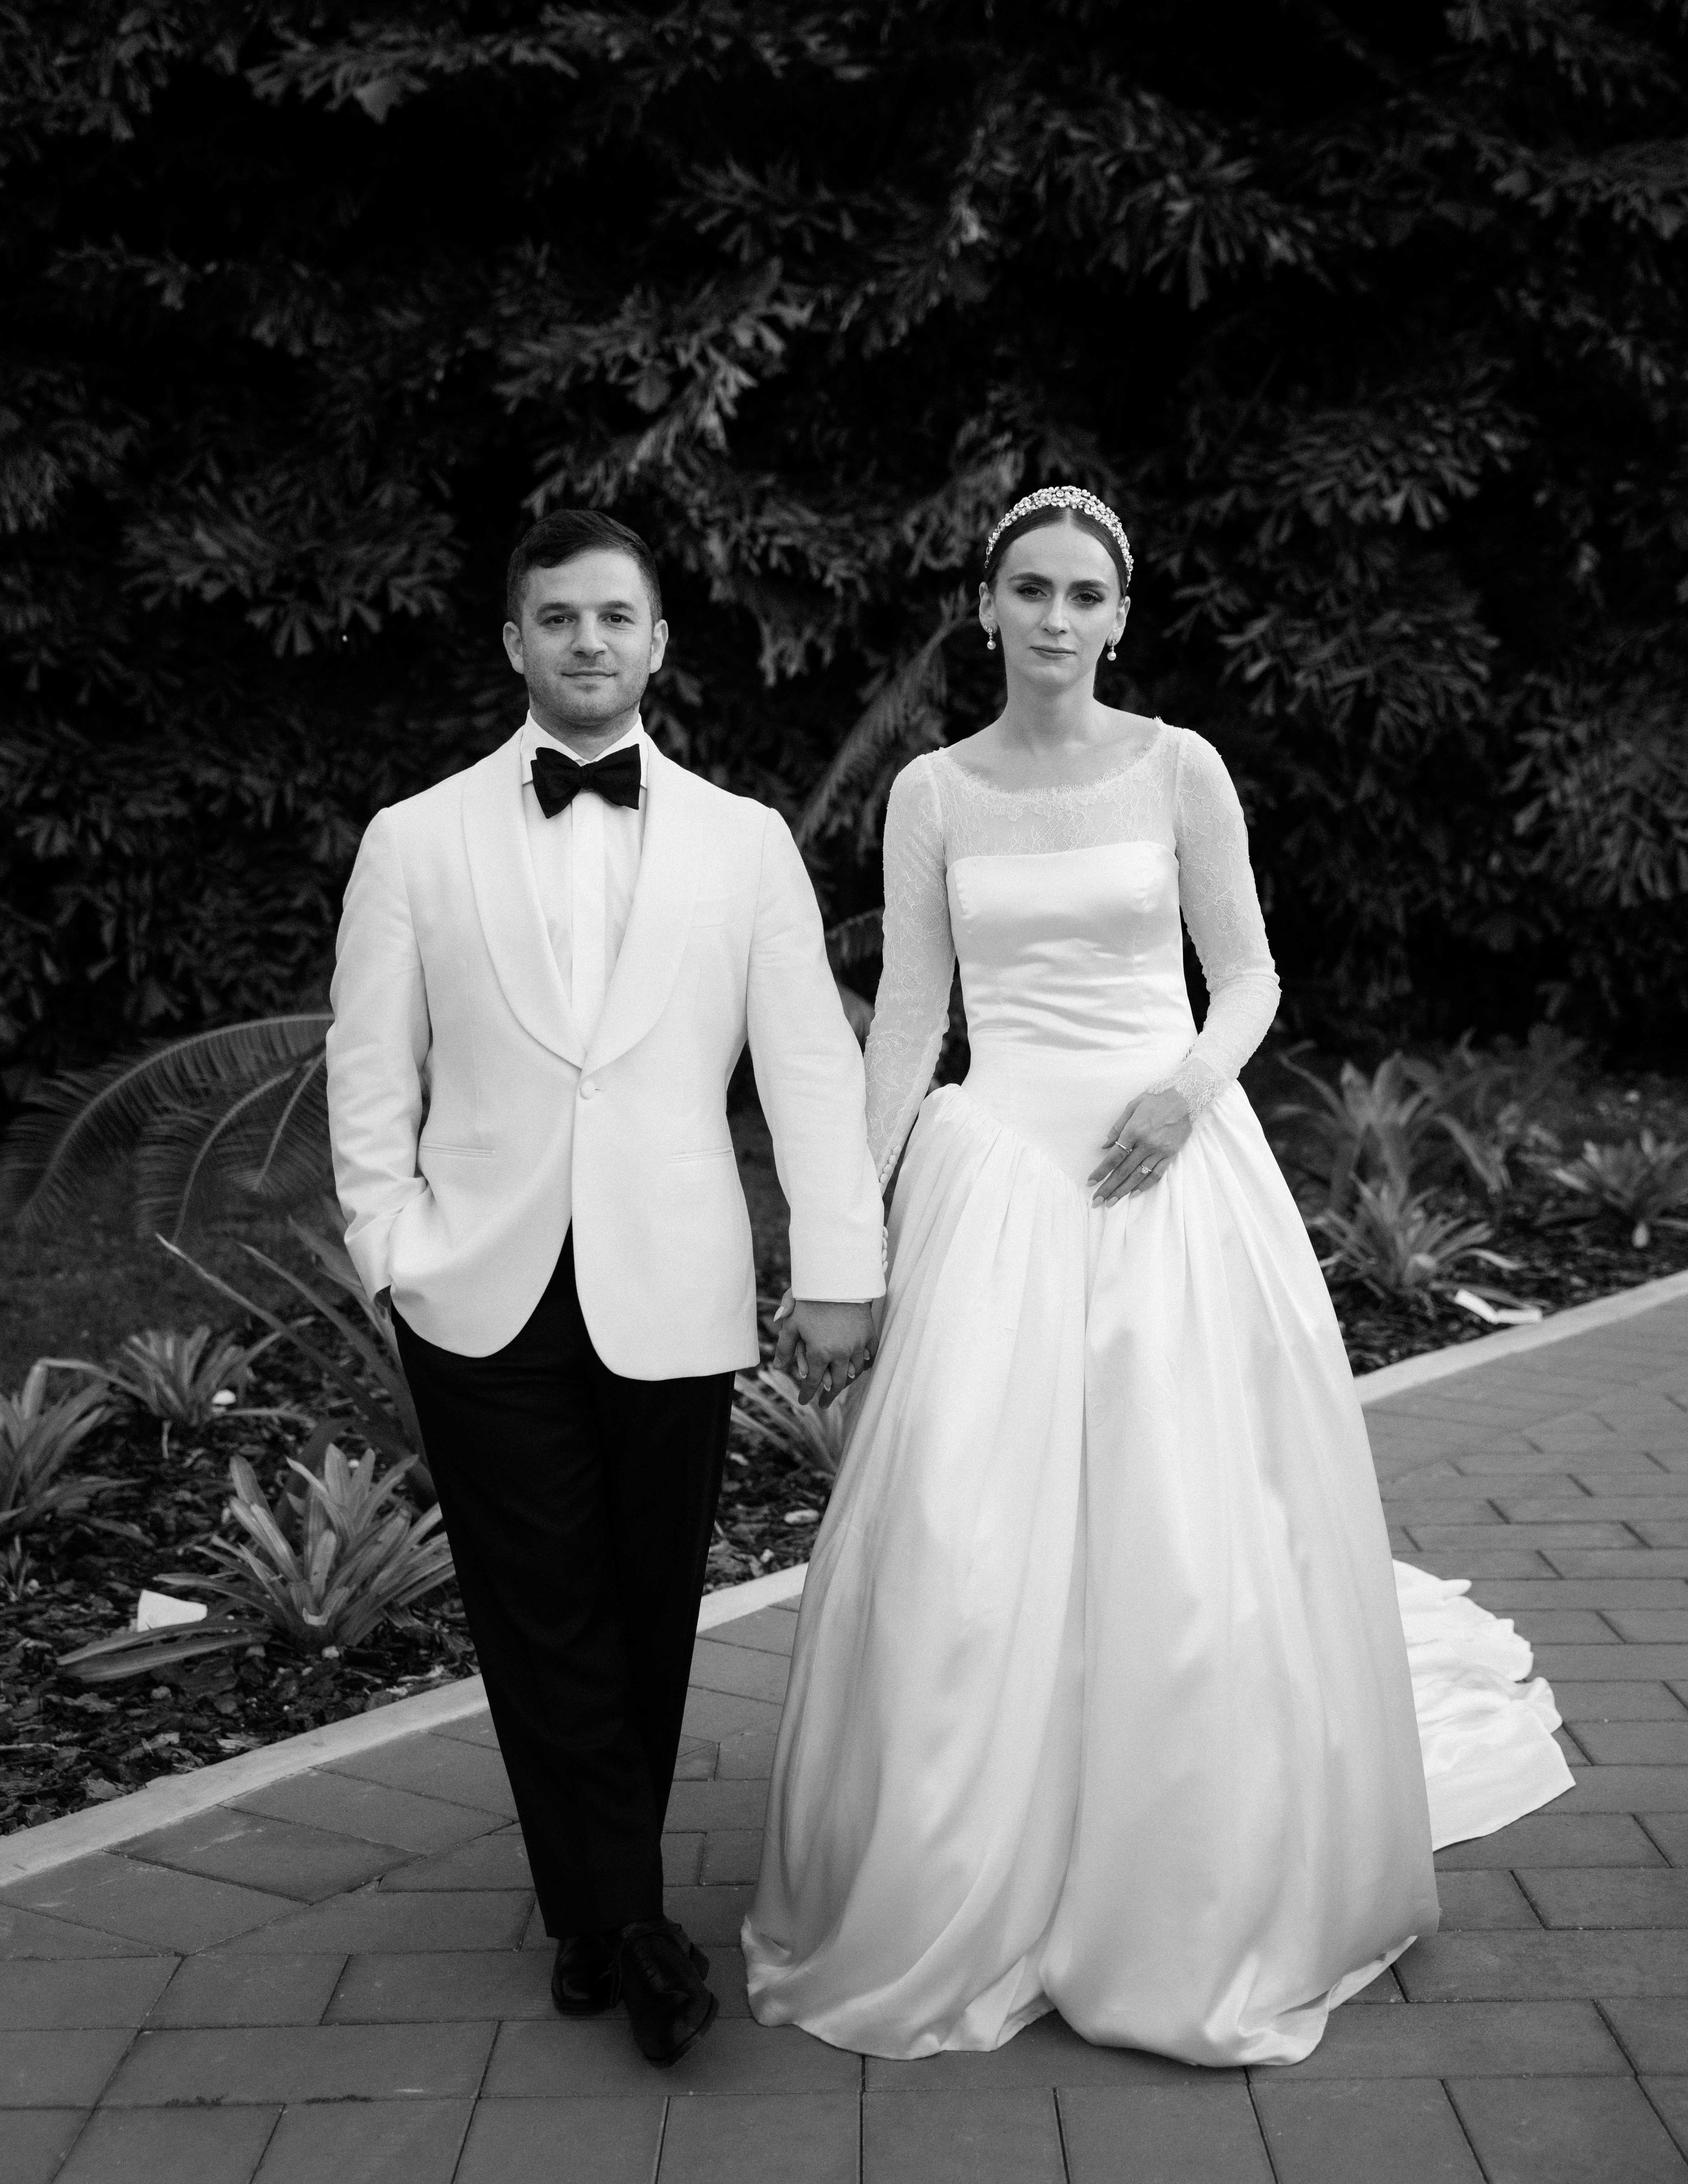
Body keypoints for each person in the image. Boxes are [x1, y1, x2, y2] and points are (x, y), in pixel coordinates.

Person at [742, 485, 1572, 2067]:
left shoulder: (1179, 766)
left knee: (1180, 1515)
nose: (1054, 618)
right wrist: (848, 1225)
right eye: (1029, 589)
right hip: (998, 1170)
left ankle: (1181, 1873)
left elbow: (1247, 971)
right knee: (967, 1522)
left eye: (1084, 595)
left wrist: (1187, 1091)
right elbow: (911, 1016)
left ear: (1120, 620)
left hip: (1163, 1163)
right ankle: (967, 1866)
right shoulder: (932, 791)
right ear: (985, 608)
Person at [325, 508, 883, 2069]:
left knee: (644, 1604)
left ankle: (587, 1907)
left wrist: (839, 1266)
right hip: (477, 1287)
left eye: (614, 618)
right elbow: (368, 1069)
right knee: (541, 1609)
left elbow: (810, 1071)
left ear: (657, 644)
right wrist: (388, 1249)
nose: (588, 642)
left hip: (672, 1280)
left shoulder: (743, 843)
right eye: (559, 617)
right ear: (516, 640)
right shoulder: (414, 840)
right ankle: (633, 1922)